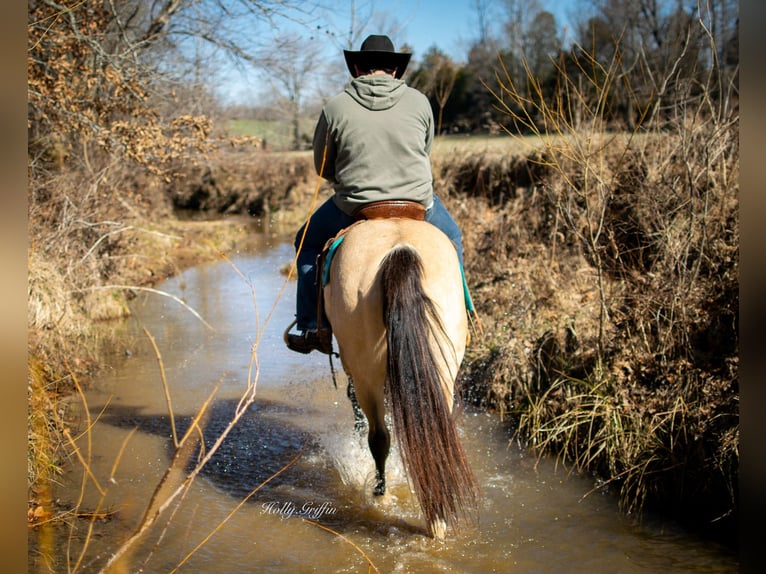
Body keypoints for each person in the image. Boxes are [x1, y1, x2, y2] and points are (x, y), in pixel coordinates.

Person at [285, 34, 465, 355]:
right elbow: (424, 150)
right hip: (418, 204)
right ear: (395, 70)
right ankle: (467, 313)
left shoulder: (335, 106)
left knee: (307, 242)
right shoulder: (420, 102)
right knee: (453, 238)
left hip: (356, 206)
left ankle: (311, 326)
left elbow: (323, 167)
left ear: (356, 68)